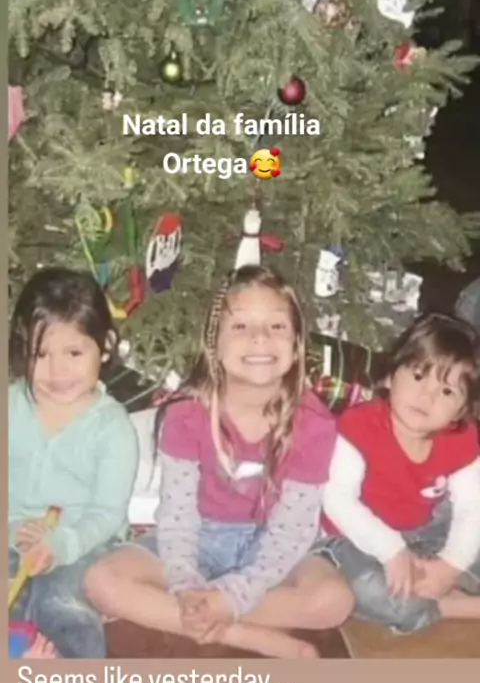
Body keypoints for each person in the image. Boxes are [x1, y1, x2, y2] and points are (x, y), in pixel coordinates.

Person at [84, 265, 354, 657]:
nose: (259, 337)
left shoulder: (313, 423)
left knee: (334, 601)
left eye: (276, 326)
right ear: (215, 342)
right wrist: (185, 583)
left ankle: (205, 615)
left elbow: (291, 532)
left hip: (271, 542)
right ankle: (243, 634)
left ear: (296, 342)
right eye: (241, 326)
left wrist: (233, 596)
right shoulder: (186, 415)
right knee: (101, 580)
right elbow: (178, 516)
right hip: (200, 536)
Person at [314, 313, 480, 634]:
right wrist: (391, 550)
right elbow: (337, 501)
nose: (427, 397)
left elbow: (472, 507)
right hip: (352, 538)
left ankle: (436, 581)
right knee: (372, 592)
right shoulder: (359, 427)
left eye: (447, 392)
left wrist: (452, 564)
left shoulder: (461, 437)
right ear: (390, 376)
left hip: (425, 529)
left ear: (461, 410)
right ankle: (451, 605)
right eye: (418, 376)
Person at [9, 267, 139, 657]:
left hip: (84, 542)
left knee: (61, 604)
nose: (57, 371)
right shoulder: (10, 405)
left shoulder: (112, 427)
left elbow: (106, 514)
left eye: (74, 353)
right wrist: (12, 529)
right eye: (41, 354)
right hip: (12, 535)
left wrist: (62, 544)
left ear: (105, 346)